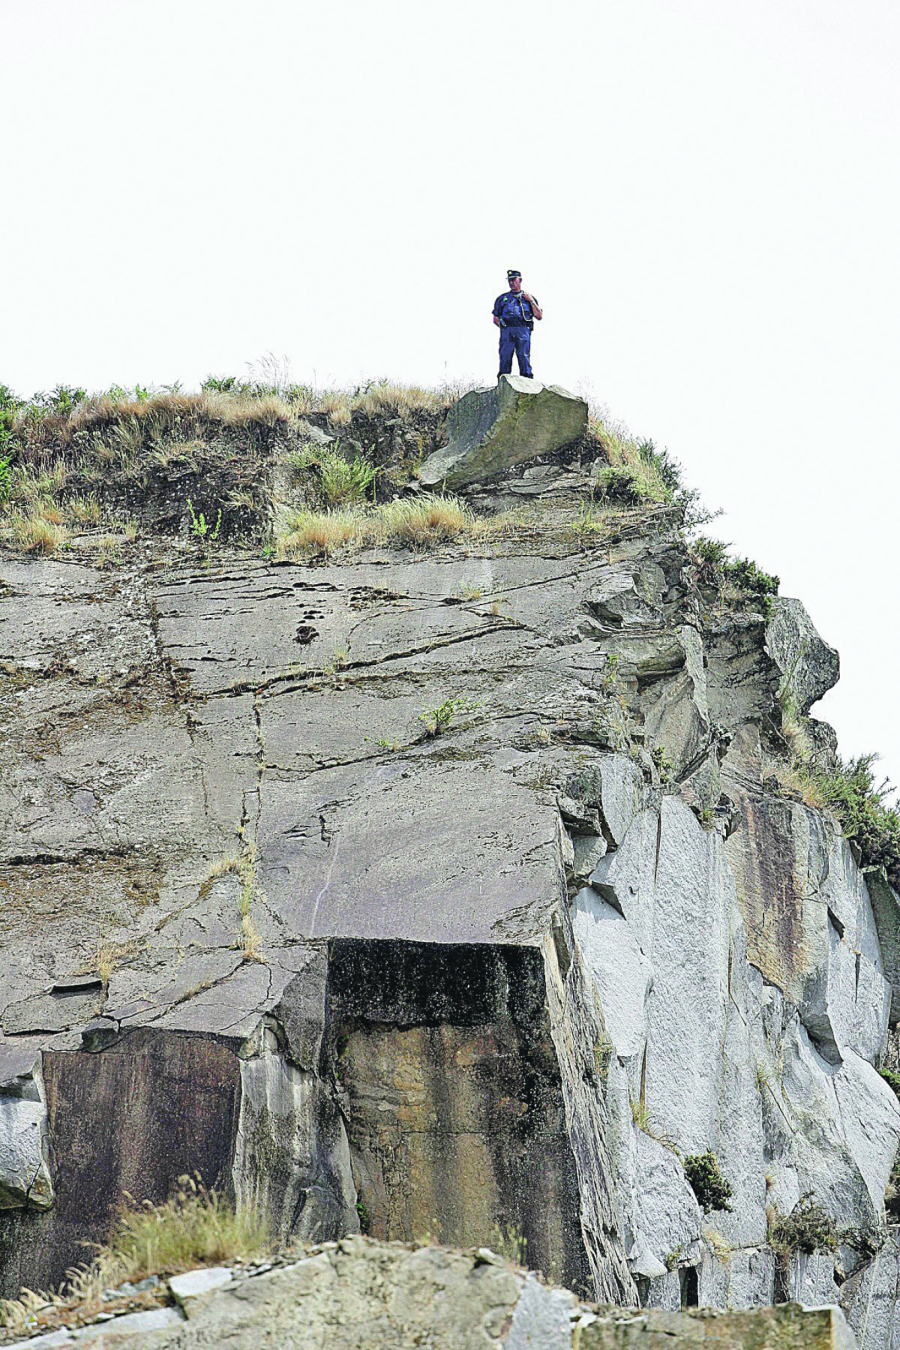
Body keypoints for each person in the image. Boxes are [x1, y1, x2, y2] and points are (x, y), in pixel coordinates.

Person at [492, 270, 542, 379]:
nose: (511, 282)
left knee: (524, 357)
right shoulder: (502, 299)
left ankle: (528, 385)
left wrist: (531, 301)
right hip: (507, 330)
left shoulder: (528, 298)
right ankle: (503, 384)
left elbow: (539, 316)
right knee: (505, 358)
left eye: (514, 280)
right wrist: (505, 328)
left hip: (523, 330)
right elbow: (495, 318)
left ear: (520, 280)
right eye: (509, 280)